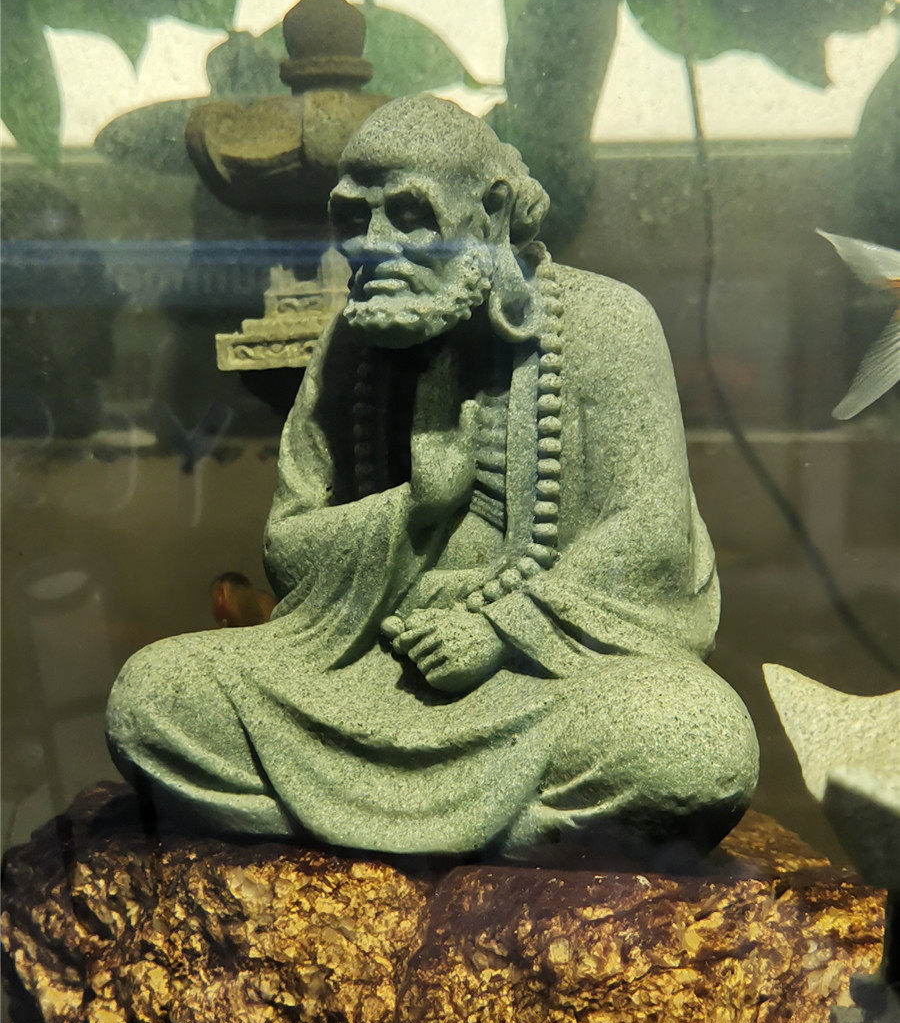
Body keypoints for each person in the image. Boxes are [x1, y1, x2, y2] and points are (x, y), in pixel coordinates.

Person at [107, 95, 758, 863]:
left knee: (698, 742)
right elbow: (290, 548)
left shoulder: (608, 324)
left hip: (541, 678)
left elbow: (649, 536)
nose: (376, 246)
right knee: (151, 699)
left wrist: (499, 630)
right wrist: (418, 507)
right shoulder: (350, 345)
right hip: (368, 668)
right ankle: (518, 836)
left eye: (412, 217)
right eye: (355, 220)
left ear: (492, 211)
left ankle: (432, 830)